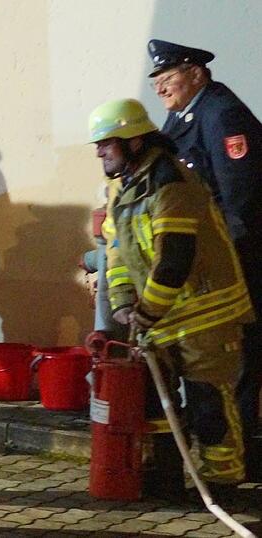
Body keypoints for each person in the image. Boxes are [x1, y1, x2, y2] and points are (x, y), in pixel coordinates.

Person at [89, 98, 255, 496]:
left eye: (106, 144)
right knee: (156, 403)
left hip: (204, 316)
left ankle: (222, 483)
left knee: (208, 403)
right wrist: (124, 304)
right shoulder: (124, 190)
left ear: (133, 142)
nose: (99, 152)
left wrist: (144, 312)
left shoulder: (171, 184)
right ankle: (166, 476)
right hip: (160, 316)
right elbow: (117, 253)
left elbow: (174, 261)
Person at [147, 39, 262, 481]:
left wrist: (225, 256)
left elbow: (240, 197)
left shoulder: (220, 114)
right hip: (207, 259)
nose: (159, 87)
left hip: (237, 258)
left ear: (196, 73)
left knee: (239, 357)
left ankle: (240, 453)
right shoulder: (183, 114)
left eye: (167, 77)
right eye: (154, 80)